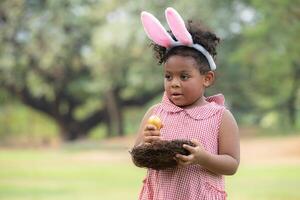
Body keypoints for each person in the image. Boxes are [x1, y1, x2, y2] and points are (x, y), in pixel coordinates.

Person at [134, 7, 239, 200]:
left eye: (184, 76)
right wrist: (147, 143)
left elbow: (232, 164)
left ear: (207, 79)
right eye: (168, 76)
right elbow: (138, 156)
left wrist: (203, 158)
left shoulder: (220, 117)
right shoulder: (155, 113)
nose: (174, 83)